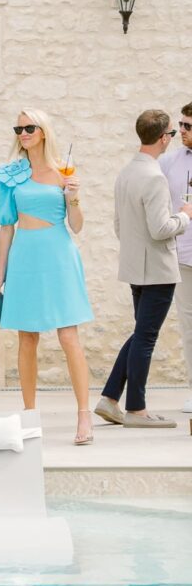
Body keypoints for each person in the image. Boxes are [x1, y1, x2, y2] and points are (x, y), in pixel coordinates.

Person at [0, 110, 94, 446]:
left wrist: (73, 196)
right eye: (18, 128)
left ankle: (84, 415)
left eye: (29, 127)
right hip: (25, 258)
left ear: (43, 132)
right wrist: (1, 271)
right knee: (27, 338)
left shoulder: (64, 172)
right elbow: (7, 225)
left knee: (68, 337)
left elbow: (76, 226)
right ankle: (30, 414)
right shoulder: (9, 175)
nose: (23, 133)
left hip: (59, 255)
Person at [95, 108, 192, 430]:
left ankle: (110, 398)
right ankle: (136, 409)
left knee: (141, 334)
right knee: (147, 337)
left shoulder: (127, 171)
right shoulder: (154, 176)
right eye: (173, 133)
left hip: (135, 265)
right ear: (163, 137)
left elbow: (119, 225)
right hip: (158, 270)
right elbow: (161, 228)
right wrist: (186, 216)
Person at [159, 101, 192, 414]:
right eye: (181, 124)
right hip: (183, 253)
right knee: (189, 325)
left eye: (187, 126)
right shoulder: (170, 162)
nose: (181, 131)